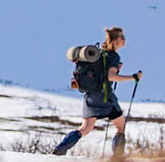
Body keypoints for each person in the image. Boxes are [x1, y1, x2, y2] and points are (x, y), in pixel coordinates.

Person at [53, 26, 142, 156]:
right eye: (122, 37)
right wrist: (133, 77)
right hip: (105, 97)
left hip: (90, 96)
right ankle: (118, 158)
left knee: (85, 128)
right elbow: (110, 77)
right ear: (115, 40)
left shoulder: (100, 54)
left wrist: (117, 70)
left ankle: (60, 149)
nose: (124, 40)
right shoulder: (113, 56)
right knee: (120, 127)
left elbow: (102, 75)